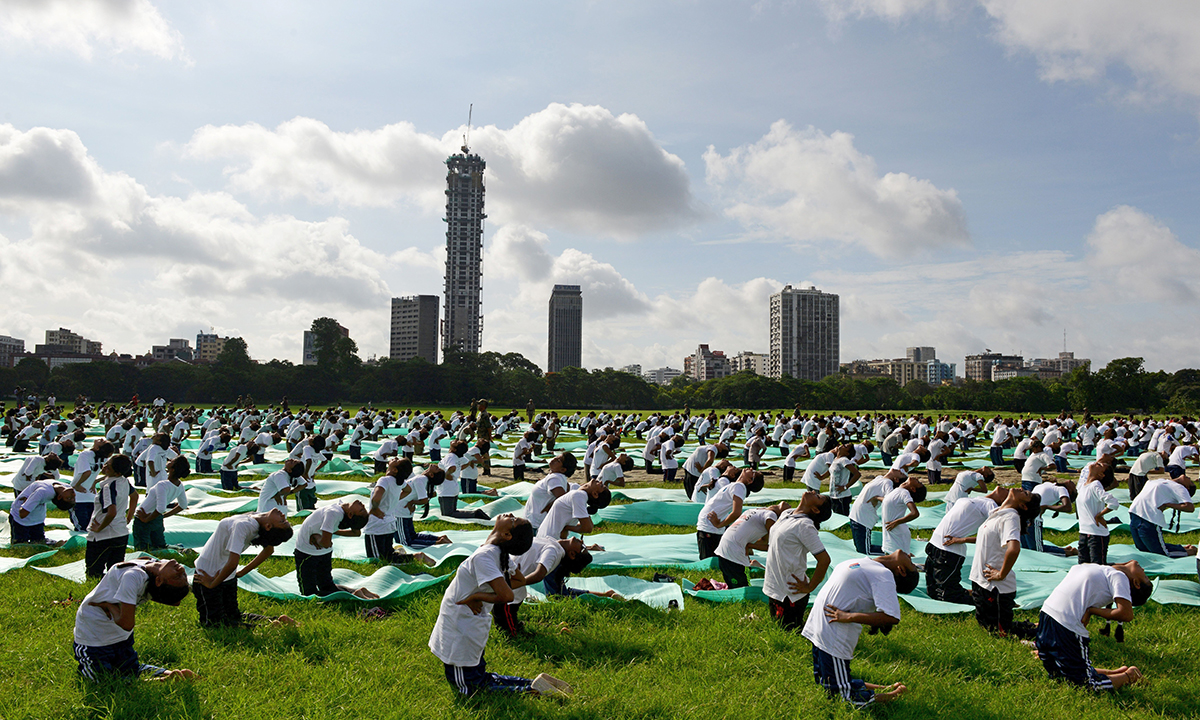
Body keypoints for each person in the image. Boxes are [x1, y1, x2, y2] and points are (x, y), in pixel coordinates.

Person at [429, 513, 570, 697]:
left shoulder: (486, 556)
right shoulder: (498, 553)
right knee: (481, 677)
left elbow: (507, 594)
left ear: (507, 535)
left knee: (470, 690)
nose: (510, 515)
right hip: (468, 626)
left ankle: (533, 691)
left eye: (513, 520)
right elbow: (519, 579)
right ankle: (533, 683)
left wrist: (477, 596)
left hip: (461, 627)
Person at [802, 551, 920, 707]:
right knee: (822, 682)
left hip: (834, 636)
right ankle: (884, 688)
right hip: (819, 629)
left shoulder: (883, 575)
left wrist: (848, 616)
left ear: (902, 570)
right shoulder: (870, 563)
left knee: (842, 697)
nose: (911, 558)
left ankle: (894, 695)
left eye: (912, 564)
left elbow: (892, 616)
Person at [1035, 561, 1151, 691]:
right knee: (1058, 675)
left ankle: (1129, 676)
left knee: (1085, 685)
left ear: (1136, 583)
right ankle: (1112, 673)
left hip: (1065, 626)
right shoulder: (1105, 569)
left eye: (1145, 576)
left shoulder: (1120, 576)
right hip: (1048, 617)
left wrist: (1091, 610)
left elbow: (1126, 613)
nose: (1144, 569)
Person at [72, 559, 195, 682]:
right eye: (183, 575)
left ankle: (160, 681)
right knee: (131, 669)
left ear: (159, 581)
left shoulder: (133, 577)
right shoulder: (151, 572)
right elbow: (174, 601)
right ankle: (168, 673)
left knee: (100, 680)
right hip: (120, 638)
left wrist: (109, 606)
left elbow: (127, 624)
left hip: (94, 638)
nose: (182, 569)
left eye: (177, 575)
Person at [191, 510, 296, 628]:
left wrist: (212, 584)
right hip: (227, 576)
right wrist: (240, 573)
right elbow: (269, 550)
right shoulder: (257, 521)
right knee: (234, 616)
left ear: (268, 526)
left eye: (282, 521)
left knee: (212, 623)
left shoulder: (244, 526)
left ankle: (267, 627)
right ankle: (276, 621)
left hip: (208, 574)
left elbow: (232, 562)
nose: (282, 514)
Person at [968, 487, 1039, 638]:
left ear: (1023, 506)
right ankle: (1030, 626)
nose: (1021, 489)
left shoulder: (1010, 518)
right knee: (988, 627)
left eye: (1025, 494)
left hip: (996, 587)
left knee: (998, 633)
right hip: (982, 581)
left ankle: (1045, 632)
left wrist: (1001, 574)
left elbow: (1014, 549)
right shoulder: (998, 513)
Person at [925, 486, 1008, 604]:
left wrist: (963, 539)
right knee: (933, 590)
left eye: (1009, 492)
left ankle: (992, 601)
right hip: (935, 545)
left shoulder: (991, 505)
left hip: (948, 551)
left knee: (949, 594)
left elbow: (995, 535)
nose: (1006, 489)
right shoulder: (979, 498)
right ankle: (977, 594)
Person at [762, 493, 833, 631]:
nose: (813, 492)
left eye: (818, 497)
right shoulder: (787, 514)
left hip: (790, 595)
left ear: (815, 510)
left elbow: (824, 560)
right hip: (775, 588)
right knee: (777, 629)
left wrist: (810, 587)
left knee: (790, 632)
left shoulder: (804, 526)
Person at [294, 500, 380, 599]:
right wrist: (331, 532)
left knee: (308, 592)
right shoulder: (340, 511)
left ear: (351, 514)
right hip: (323, 553)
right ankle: (355, 592)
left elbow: (325, 543)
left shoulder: (333, 513)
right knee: (327, 586)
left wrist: (317, 537)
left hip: (307, 553)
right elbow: (356, 533)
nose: (363, 504)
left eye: (361, 510)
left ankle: (354, 595)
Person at [364, 458, 434, 565]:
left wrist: (375, 509)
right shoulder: (399, 482)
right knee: (388, 554)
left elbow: (376, 498)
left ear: (395, 470)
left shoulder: (384, 480)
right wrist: (395, 498)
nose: (395, 458)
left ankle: (416, 557)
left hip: (376, 526)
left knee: (377, 561)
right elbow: (408, 490)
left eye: (397, 460)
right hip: (389, 524)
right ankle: (413, 557)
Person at [715, 502, 791, 589]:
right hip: (733, 553)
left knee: (733, 584)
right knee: (744, 589)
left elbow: (765, 542)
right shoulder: (771, 515)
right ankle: (756, 567)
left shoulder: (754, 511)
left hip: (724, 548)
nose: (789, 505)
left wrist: (750, 545)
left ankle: (755, 566)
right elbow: (775, 545)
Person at [86, 455, 138, 579]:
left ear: (117, 472)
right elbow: (135, 496)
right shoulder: (124, 481)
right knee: (116, 572)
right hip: (121, 533)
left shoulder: (108, 487)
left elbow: (111, 512)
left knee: (93, 572)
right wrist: (128, 517)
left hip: (104, 536)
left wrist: (99, 528)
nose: (104, 467)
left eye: (108, 467)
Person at [696, 469, 765, 559]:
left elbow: (736, 512)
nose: (751, 469)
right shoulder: (736, 485)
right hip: (709, 526)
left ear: (749, 480)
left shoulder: (739, 487)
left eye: (753, 472)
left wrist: (719, 524)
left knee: (708, 561)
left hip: (710, 527)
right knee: (713, 559)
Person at [1128, 468, 1198, 557]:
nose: (1189, 478)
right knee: (1142, 548)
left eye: (1191, 482)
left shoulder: (1180, 487)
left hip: (1149, 519)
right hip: (1135, 514)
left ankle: (1190, 552)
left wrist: (1169, 504)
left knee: (1161, 553)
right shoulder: (1165, 481)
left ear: (1187, 487)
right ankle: (1181, 548)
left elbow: (1190, 507)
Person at [132, 456, 191, 550]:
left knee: (143, 548)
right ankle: (179, 550)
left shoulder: (162, 485)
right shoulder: (179, 485)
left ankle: (179, 551)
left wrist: (146, 519)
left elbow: (161, 508)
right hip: (156, 519)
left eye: (172, 460)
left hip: (145, 518)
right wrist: (162, 516)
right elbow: (183, 505)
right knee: (159, 545)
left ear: (173, 469)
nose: (169, 460)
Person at [847, 469, 903, 555]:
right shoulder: (880, 478)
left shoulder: (888, 483)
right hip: (856, 515)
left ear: (896, 479)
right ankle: (894, 553)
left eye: (901, 473)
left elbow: (891, 501)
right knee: (860, 549)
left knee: (865, 551)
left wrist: (876, 498)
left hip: (863, 518)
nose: (899, 470)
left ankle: (894, 554)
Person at [536, 479, 612, 541]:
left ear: (595, 494)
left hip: (549, 540)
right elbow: (589, 525)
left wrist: (567, 527)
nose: (601, 481)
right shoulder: (579, 495)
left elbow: (588, 528)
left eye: (601, 486)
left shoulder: (579, 495)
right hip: (549, 539)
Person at [9, 479, 75, 544]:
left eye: (69, 498)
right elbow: (22, 514)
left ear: (60, 497)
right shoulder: (45, 491)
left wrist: (29, 502)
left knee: (36, 541)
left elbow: (23, 513)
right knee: (20, 543)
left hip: (33, 519)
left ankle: (54, 544)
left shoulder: (43, 492)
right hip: (21, 519)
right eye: (72, 498)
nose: (73, 495)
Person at [523, 453, 578, 530]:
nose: (554, 459)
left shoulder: (554, 478)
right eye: (556, 457)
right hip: (538, 523)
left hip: (537, 525)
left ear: (562, 469)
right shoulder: (558, 478)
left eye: (558, 460)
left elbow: (563, 499)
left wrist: (550, 506)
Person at [437, 440, 490, 521]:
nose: (455, 440)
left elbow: (452, 467)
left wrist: (445, 475)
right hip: (452, 488)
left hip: (446, 489)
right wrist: (457, 470)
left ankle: (475, 514)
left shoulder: (450, 456)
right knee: (452, 511)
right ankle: (474, 514)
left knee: (448, 514)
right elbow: (467, 462)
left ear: (454, 449)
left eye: (456, 442)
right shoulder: (458, 457)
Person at [880, 477, 927, 555]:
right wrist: (876, 498)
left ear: (913, 489)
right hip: (892, 532)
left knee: (895, 560)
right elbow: (888, 500)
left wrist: (898, 522)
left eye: (918, 482)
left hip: (897, 532)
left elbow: (915, 513)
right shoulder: (898, 490)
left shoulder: (904, 493)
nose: (916, 478)